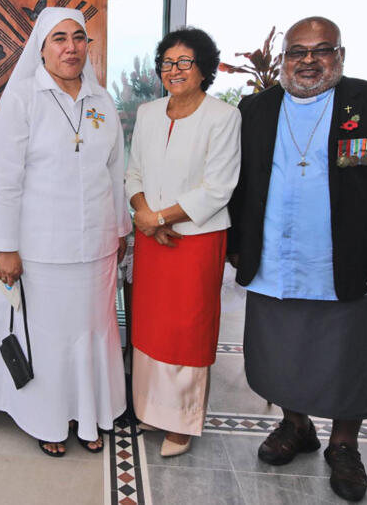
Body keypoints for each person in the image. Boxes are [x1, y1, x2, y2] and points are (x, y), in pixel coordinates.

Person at [227, 17, 367, 501]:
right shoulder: (255, 108)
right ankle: (295, 426)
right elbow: (238, 181)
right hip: (275, 259)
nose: (309, 60)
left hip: (349, 264)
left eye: (322, 50)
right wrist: (235, 249)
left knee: (348, 360)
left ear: (340, 54)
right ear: (283, 60)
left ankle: (344, 445)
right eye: (298, 51)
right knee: (282, 352)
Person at [0, 7, 131, 457]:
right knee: (48, 337)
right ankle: (49, 419)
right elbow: (4, 178)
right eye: (59, 39)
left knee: (94, 332)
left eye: (78, 38)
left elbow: (115, 170)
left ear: (88, 46)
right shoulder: (22, 98)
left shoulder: (102, 100)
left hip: (98, 244)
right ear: (42, 49)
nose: (70, 47)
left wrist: (121, 229)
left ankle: (89, 415)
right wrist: (6, 247)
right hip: (41, 247)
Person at [125, 27, 240, 457]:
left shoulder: (224, 117)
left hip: (195, 240)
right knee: (151, 324)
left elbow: (218, 188)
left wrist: (159, 217)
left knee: (187, 329)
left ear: (205, 69)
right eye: (167, 63)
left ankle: (182, 422)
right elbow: (133, 172)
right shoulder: (149, 113)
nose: (174, 71)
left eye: (184, 63)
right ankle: (150, 410)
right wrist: (145, 216)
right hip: (153, 238)